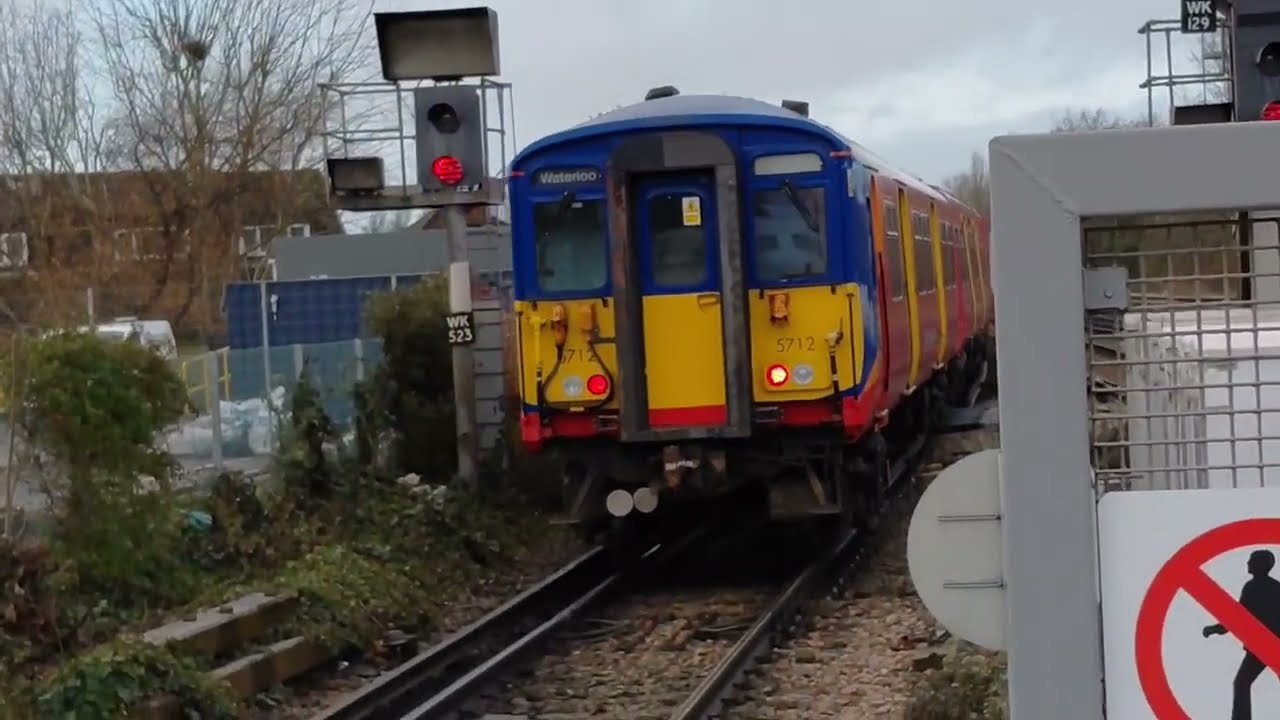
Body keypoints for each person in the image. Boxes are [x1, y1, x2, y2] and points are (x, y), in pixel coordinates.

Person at [1203, 549, 1280, 720]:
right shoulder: (1264, 587)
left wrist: (1216, 629)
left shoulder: (1255, 588)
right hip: (1263, 648)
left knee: (1241, 683)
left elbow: (1236, 617)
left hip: (1266, 647)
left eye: (1251, 560)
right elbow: (1237, 617)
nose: (1248, 563)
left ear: (1261, 564)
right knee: (1242, 683)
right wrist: (1216, 629)